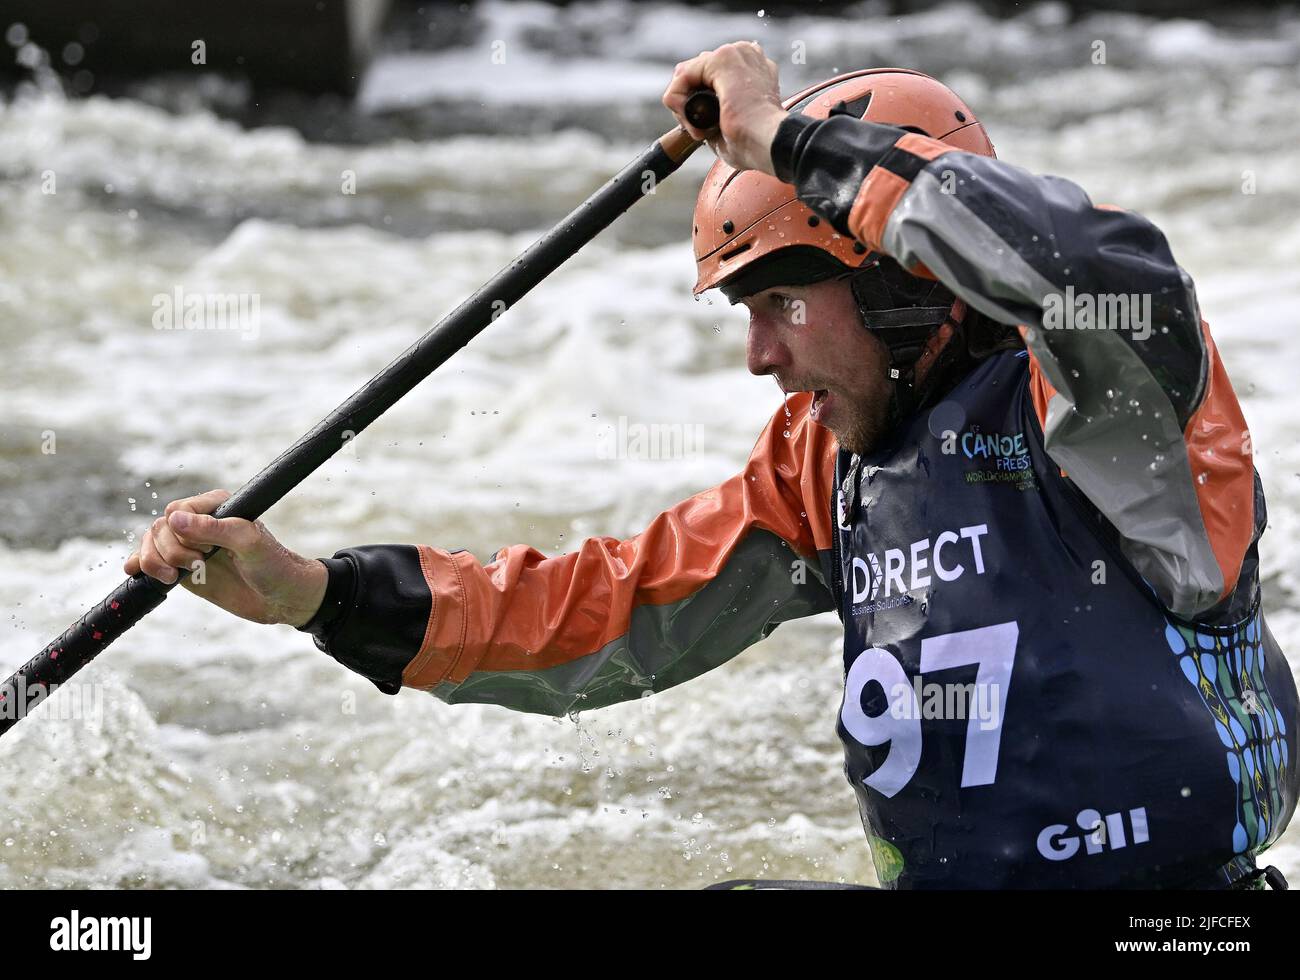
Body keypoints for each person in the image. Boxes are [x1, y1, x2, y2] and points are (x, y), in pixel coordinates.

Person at [127, 42, 1298, 889]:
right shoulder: (822, 465)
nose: (759, 355)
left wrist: (788, 140)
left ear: (908, 280)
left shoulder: (1108, 404)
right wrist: (322, 596)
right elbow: (602, 608)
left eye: (783, 300)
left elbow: (1093, 261)